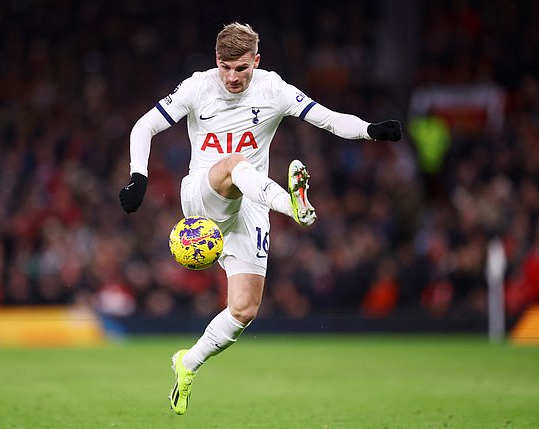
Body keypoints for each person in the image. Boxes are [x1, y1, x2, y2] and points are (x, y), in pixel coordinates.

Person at [119, 22, 401, 415]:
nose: (232, 77)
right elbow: (144, 125)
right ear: (216, 61)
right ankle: (294, 207)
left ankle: (188, 363)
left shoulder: (274, 89)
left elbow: (329, 118)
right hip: (203, 193)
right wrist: (138, 177)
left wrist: (370, 131)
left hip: (250, 206)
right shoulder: (197, 87)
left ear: (257, 61)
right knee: (235, 164)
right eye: (225, 67)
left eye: (242, 69)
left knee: (244, 310)